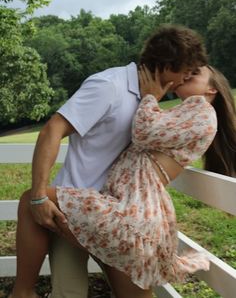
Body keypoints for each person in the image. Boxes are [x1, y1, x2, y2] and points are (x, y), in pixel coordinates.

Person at [9, 65, 236, 298]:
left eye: (195, 73)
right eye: (186, 70)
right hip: (130, 211)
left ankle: (23, 292)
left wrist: (149, 96)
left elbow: (144, 132)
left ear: (212, 89)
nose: (187, 73)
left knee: (32, 199)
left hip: (128, 213)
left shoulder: (202, 112)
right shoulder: (186, 113)